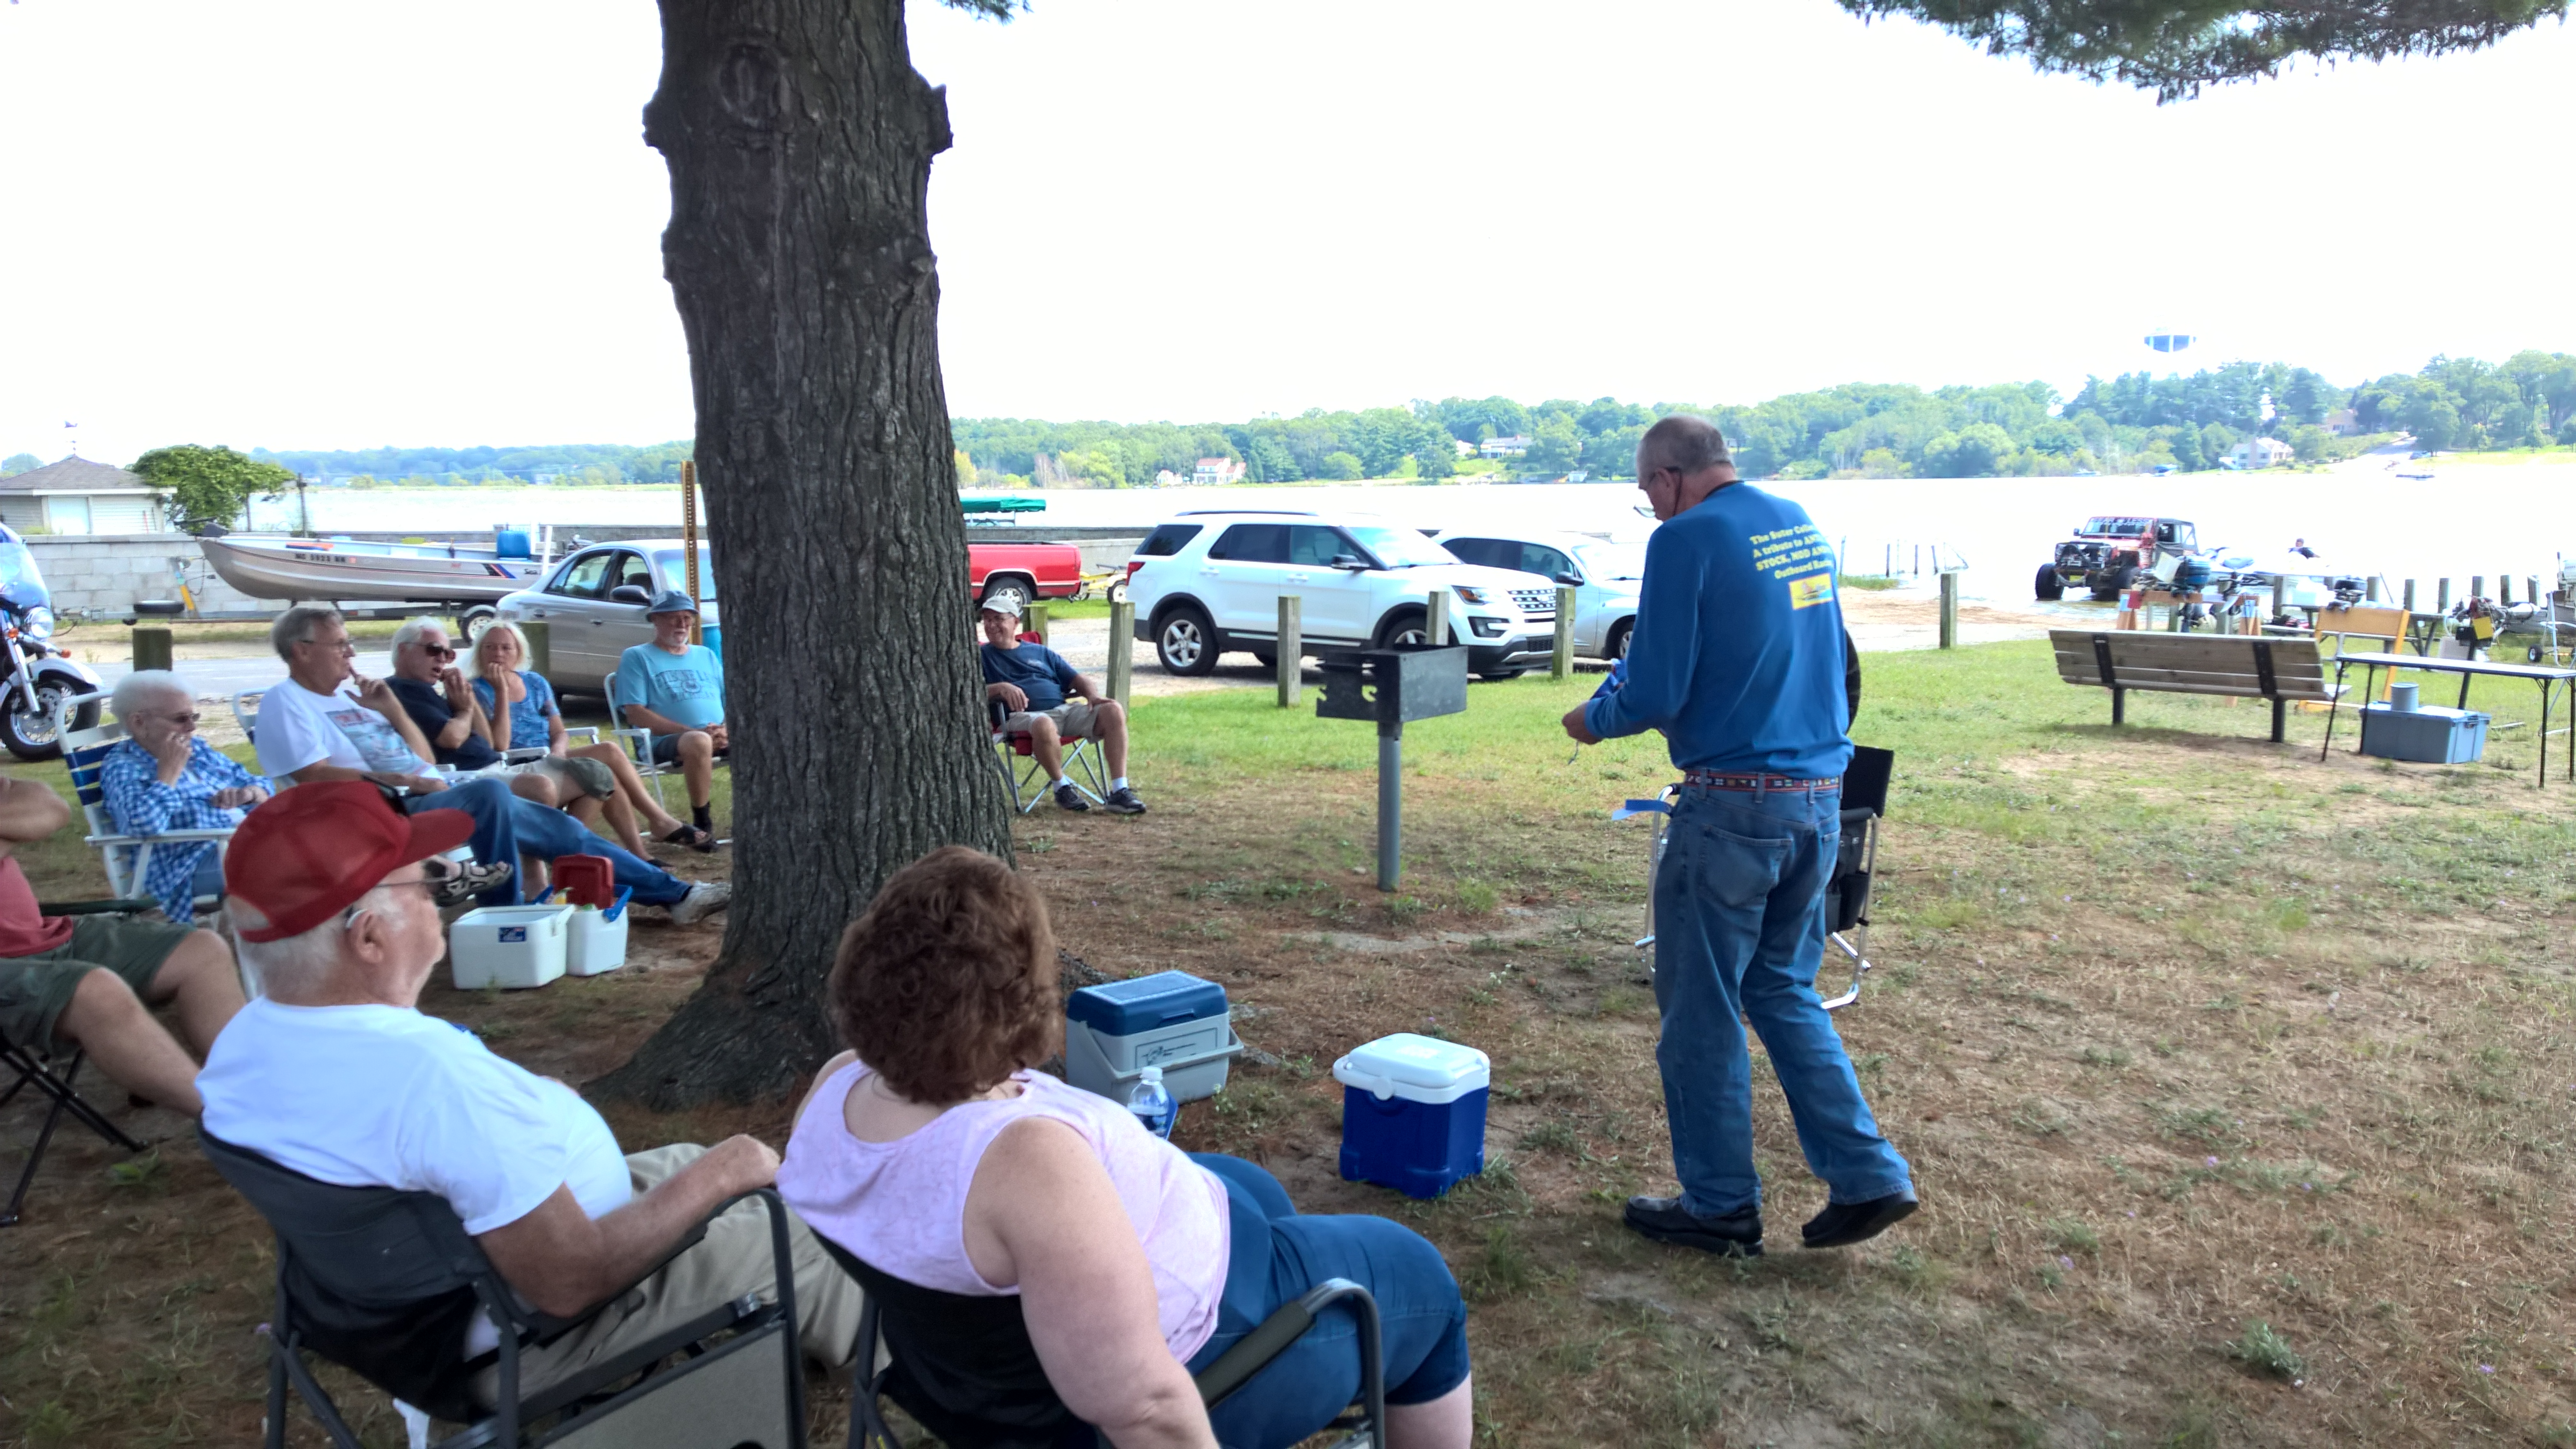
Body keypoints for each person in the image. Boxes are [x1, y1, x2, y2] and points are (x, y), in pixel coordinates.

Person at [778, 847, 1469, 1449]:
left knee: (1252, 1189)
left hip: (968, 1370)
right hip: (1192, 1364)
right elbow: (1144, 1406)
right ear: (1014, 1005)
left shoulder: (841, 1086)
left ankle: (1288, 1284)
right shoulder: (1022, 1164)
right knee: (1420, 1277)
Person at [196, 781, 861, 1402]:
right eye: (424, 885)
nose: (439, 897)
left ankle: (797, 1317)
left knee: (688, 1159)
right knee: (795, 1224)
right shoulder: (431, 1078)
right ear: (369, 936)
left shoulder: (242, 1048)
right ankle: (893, 1369)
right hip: (529, 1337)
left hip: (407, 1309)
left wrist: (529, 1113)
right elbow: (571, 1281)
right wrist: (730, 1167)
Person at [1561, 414, 1916, 1257]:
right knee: (1783, 989)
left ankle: (1719, 1204)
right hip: (1819, 801)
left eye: (1647, 493)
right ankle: (1869, 1174)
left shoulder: (1683, 539)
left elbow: (1655, 689)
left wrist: (1591, 719)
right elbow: (1819, 659)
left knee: (1701, 1009)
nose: (1652, 509)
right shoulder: (1795, 524)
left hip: (1732, 809)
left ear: (1667, 478)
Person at [252, 604, 728, 925]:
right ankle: (505, 917)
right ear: (302, 651)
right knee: (493, 794)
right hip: (378, 811)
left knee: (562, 831)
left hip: (427, 791)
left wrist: (392, 711)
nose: (352, 653)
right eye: (340, 645)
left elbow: (424, 759)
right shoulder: (285, 702)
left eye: (349, 643)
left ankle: (676, 895)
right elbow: (311, 777)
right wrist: (400, 779)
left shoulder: (348, 699)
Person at [0, 772, 241, 1116]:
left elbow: (50, 807)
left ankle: (256, 1090)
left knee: (202, 950)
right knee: (95, 990)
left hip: (43, 936)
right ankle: (236, 1124)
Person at [469, 621, 715, 852]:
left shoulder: (535, 682)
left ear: (518, 652)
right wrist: (501, 691)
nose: (498, 654)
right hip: (516, 767)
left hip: (550, 759)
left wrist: (558, 751)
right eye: (490, 647)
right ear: (480, 652)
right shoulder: (475, 690)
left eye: (506, 648)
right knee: (607, 757)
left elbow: (559, 731)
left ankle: (638, 850)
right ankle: (656, 826)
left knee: (604, 769)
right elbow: (499, 744)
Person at [98, 670, 270, 922]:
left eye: (194, 717)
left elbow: (260, 783)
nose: (192, 727)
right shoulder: (122, 767)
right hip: (187, 867)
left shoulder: (197, 749)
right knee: (292, 861)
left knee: (318, 845)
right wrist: (168, 774)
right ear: (139, 723)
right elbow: (142, 826)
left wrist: (248, 793)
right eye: (181, 719)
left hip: (239, 843)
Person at [978, 597, 1145, 815]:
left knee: (1113, 710)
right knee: (1044, 723)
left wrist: (1092, 696)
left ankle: (1120, 791)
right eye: (987, 620)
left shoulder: (1040, 652)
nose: (991, 625)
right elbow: (967, 692)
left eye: (998, 619)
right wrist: (999, 688)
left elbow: (1077, 679)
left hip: (1063, 711)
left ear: (1016, 622)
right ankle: (1062, 787)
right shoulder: (979, 656)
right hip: (1019, 719)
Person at [610, 592, 726, 840]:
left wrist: (725, 730)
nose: (682, 624)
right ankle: (702, 823)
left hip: (715, 735)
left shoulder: (706, 655)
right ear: (655, 620)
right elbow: (635, 713)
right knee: (699, 741)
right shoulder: (637, 656)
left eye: (687, 618)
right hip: (665, 741)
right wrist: (692, 732)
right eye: (674, 618)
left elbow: (731, 700)